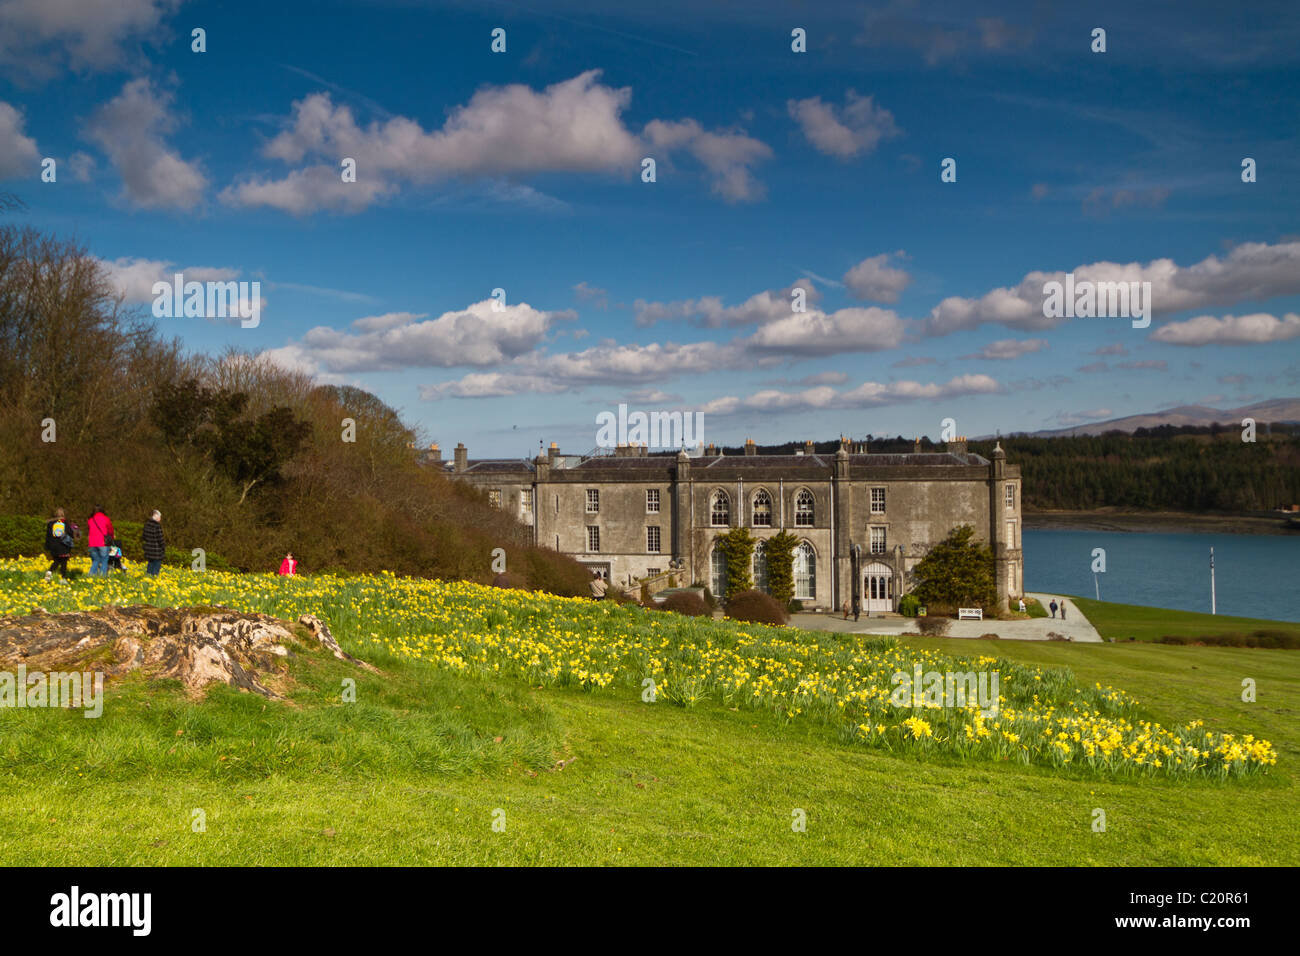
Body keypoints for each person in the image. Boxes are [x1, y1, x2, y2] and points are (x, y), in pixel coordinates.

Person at [44, 508, 74, 581]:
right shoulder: (65, 523)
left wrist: (47, 546)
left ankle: (49, 572)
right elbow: (70, 533)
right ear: (64, 514)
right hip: (63, 545)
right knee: (64, 562)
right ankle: (63, 578)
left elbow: (48, 535)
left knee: (56, 561)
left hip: (54, 546)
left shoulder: (50, 523)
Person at [86, 507, 114, 577]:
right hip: (103, 542)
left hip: (92, 543)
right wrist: (111, 537)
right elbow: (110, 530)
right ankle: (102, 576)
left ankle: (91, 576)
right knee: (104, 560)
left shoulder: (90, 520)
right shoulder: (105, 518)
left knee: (95, 560)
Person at [142, 510, 166, 576]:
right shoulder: (157, 526)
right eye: (160, 517)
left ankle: (148, 578)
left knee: (150, 564)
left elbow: (144, 537)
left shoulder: (146, 525)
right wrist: (163, 547)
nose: (160, 519)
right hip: (156, 550)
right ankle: (154, 579)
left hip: (149, 549)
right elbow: (160, 539)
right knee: (156, 567)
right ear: (157, 517)